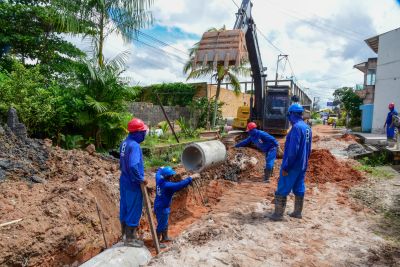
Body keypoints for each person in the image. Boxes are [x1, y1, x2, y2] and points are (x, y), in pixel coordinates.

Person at [268, 103, 312, 221]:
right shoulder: (307, 128)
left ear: (292, 114)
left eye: (289, 115)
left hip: (292, 164)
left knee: (283, 187)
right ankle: (297, 212)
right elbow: (309, 148)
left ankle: (278, 214)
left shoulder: (296, 128)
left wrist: (286, 166)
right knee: (299, 186)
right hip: (302, 164)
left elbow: (293, 150)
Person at [119, 118, 148, 247]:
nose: (144, 134)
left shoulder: (124, 143)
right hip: (132, 182)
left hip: (124, 180)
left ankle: (124, 236)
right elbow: (133, 165)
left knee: (124, 207)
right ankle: (130, 239)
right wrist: (140, 179)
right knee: (134, 208)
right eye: (142, 132)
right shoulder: (135, 146)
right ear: (137, 133)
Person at [154, 166, 194, 248]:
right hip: (162, 208)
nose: (173, 176)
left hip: (159, 205)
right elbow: (180, 184)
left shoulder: (159, 180)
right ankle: (157, 243)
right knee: (161, 224)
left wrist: (160, 169)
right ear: (170, 176)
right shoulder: (168, 185)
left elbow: (158, 174)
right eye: (172, 175)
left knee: (165, 223)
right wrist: (190, 178)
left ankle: (165, 237)